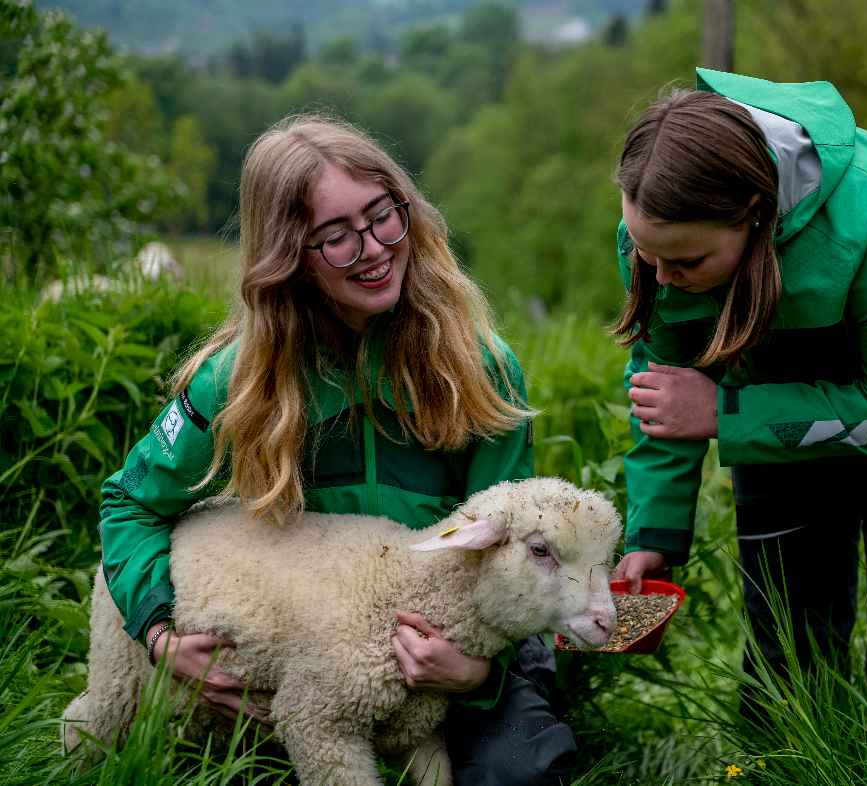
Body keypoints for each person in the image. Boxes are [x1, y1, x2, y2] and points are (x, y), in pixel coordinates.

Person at [98, 114, 575, 784]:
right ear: (287, 256)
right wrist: (157, 635)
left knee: (519, 773)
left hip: (460, 655)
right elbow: (128, 502)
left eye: (384, 216)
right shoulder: (239, 382)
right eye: (336, 237)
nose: (375, 248)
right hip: (314, 656)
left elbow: (517, 551)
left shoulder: (480, 367)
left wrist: (476, 674)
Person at [609, 69, 867, 715]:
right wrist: (652, 531)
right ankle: (789, 761)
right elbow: (667, 392)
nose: (662, 276)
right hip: (779, 371)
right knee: (786, 634)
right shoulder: (661, 238)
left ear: (755, 215)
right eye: (649, 256)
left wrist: (728, 413)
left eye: (685, 264)